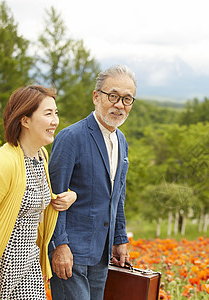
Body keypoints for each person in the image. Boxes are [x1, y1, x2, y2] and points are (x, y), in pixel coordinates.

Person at [48, 65, 136, 299]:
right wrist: (59, 245)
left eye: (127, 99)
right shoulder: (71, 137)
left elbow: (118, 196)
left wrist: (119, 239)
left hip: (102, 253)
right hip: (71, 253)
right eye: (113, 96)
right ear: (96, 97)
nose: (120, 105)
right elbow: (54, 196)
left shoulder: (121, 140)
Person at [0, 85, 77, 299]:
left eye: (55, 113)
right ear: (25, 120)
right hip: (3, 265)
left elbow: (32, 197)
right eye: (48, 114)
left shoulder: (41, 156)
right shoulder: (4, 163)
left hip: (29, 262)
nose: (55, 120)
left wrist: (70, 196)